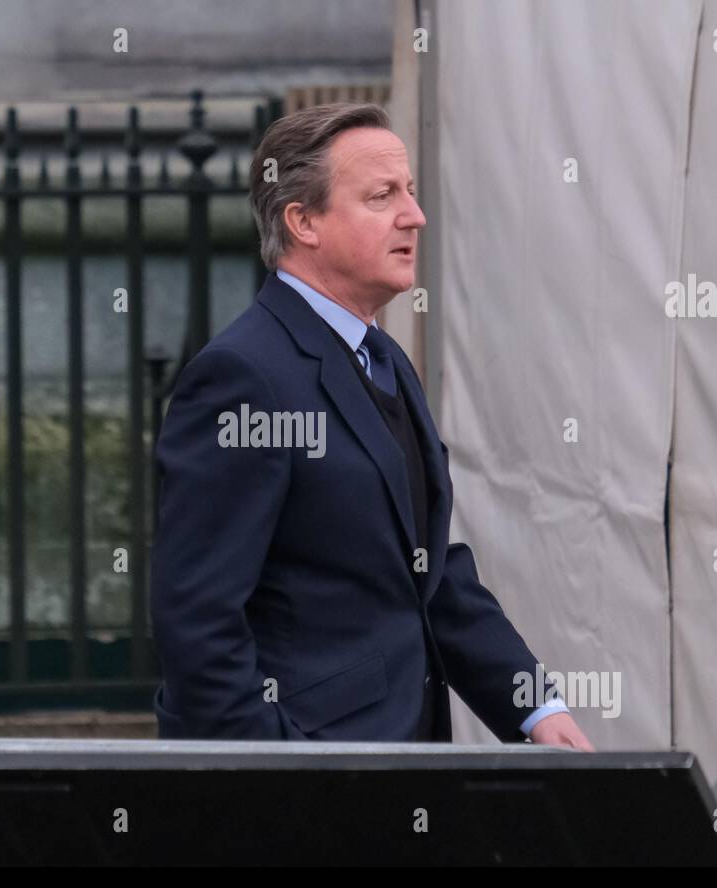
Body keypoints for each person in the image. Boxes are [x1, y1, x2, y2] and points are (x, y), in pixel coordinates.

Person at [150, 101, 593, 750]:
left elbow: (428, 574)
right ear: (303, 222)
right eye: (382, 195)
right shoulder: (243, 377)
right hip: (307, 790)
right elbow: (196, 621)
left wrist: (534, 707)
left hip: (397, 770)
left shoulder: (382, 358)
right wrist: (288, 774)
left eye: (410, 192)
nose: (414, 215)